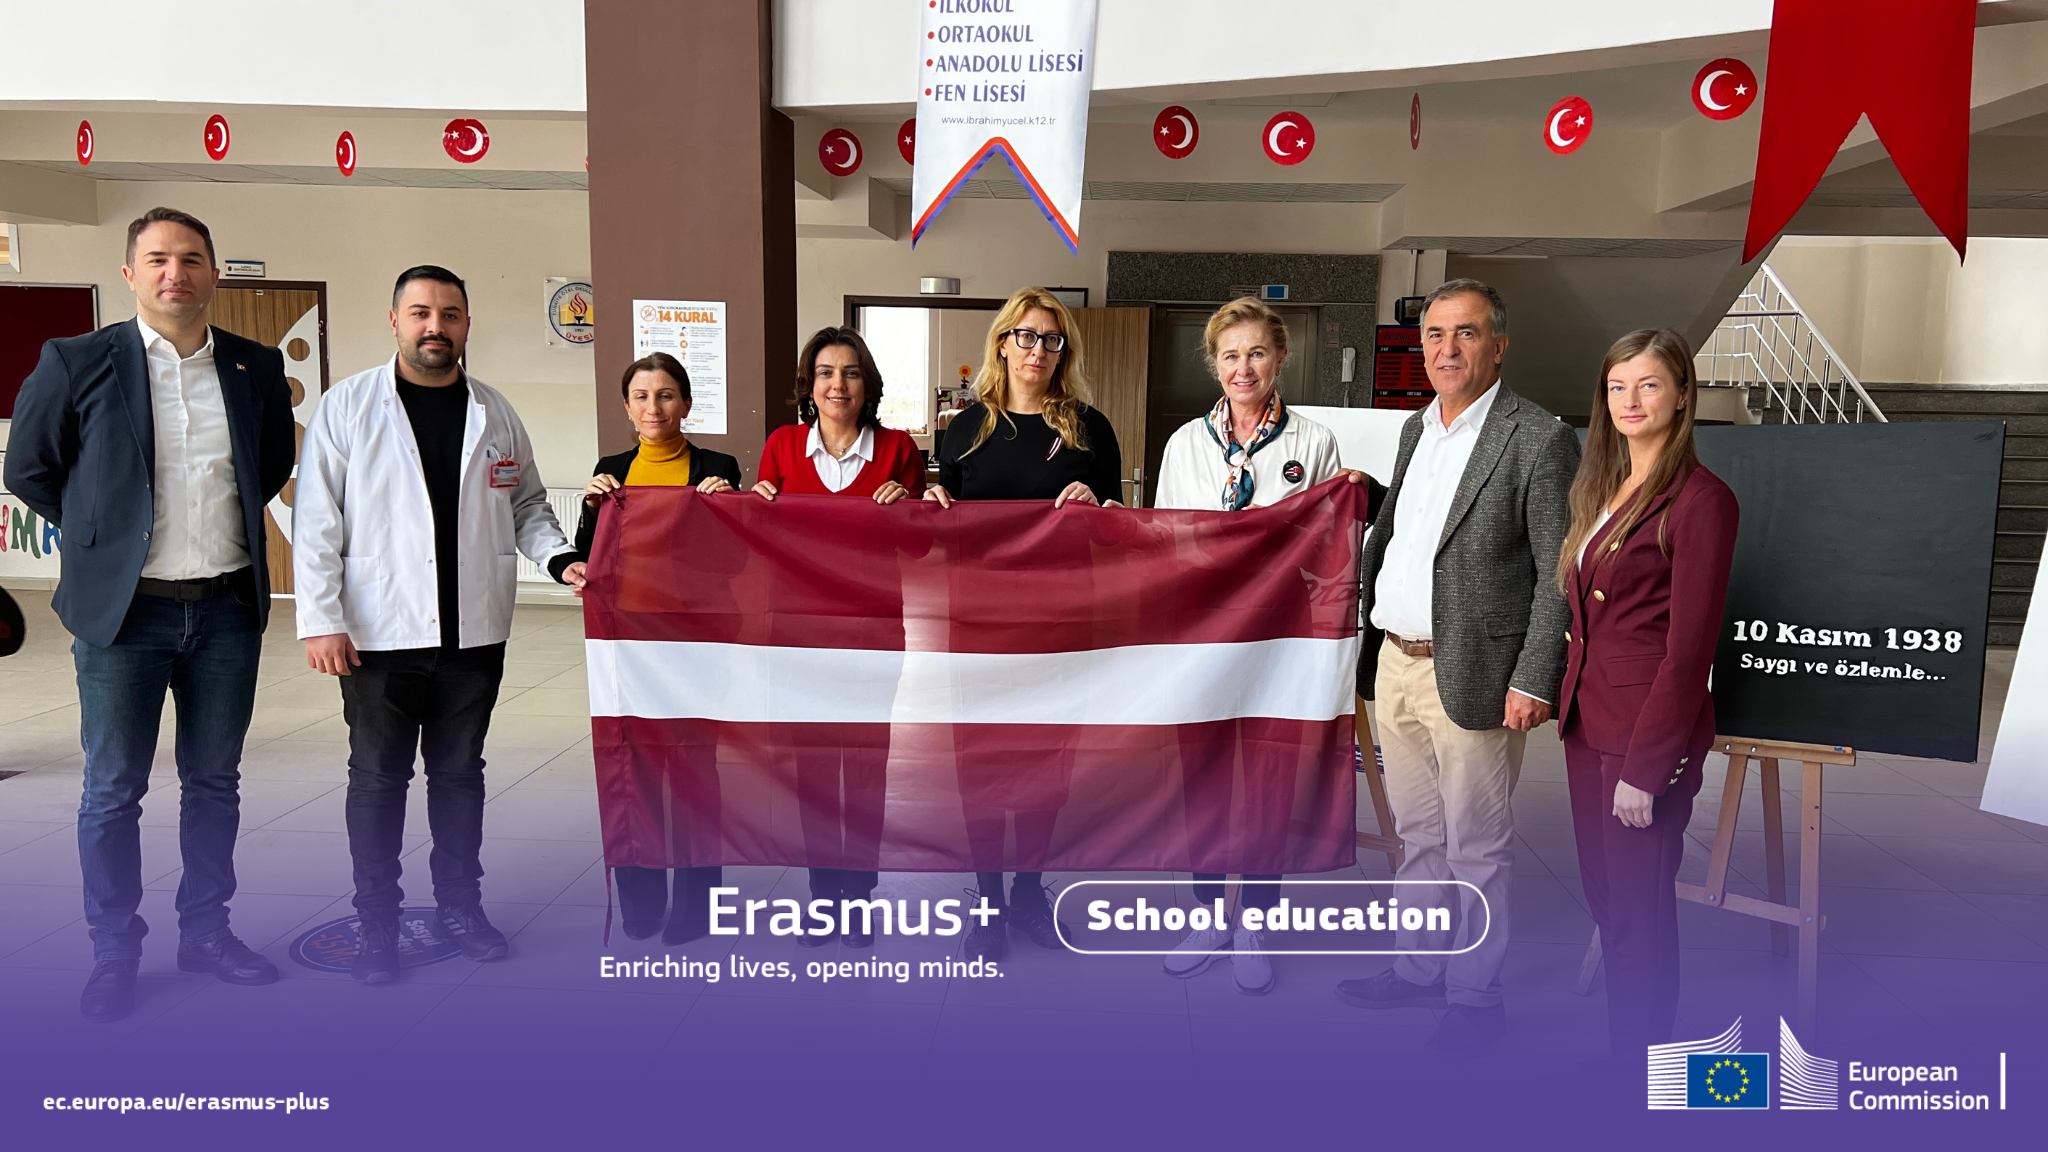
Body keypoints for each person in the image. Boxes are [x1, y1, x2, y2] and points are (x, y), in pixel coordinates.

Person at [6, 207, 296, 1022]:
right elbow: (29, 469)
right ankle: (114, 950)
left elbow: (272, 461)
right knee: (112, 790)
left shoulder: (254, 366)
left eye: (192, 258)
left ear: (214, 273)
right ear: (130, 273)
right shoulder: (76, 360)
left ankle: (207, 932)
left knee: (214, 782)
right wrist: (102, 535)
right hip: (123, 618)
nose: (177, 273)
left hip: (226, 611)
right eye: (159, 259)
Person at [293, 265, 577, 985]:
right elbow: (317, 519)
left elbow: (526, 505)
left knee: (458, 777)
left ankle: (459, 908)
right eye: (420, 313)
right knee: (378, 780)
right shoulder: (349, 405)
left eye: (450, 315)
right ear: (394, 321)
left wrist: (560, 558)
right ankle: (377, 923)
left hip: (471, 637)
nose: (435, 327)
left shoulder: (494, 412)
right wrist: (321, 619)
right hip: (378, 635)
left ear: (467, 325)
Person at [1333, 278, 1579, 1056]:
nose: (1447, 349)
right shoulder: (1417, 429)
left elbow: (1559, 570)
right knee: (1418, 836)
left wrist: (1535, 676)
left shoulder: (1537, 437)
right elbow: (1415, 533)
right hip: (1398, 662)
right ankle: (1417, 970)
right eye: (1435, 335)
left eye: (1466, 333)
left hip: (1478, 671)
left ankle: (1475, 996)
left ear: (1498, 346)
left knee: (1476, 842)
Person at [1152, 297, 1372, 995]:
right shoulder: (1185, 444)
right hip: (1201, 638)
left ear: (1280, 358)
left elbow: (1326, 550)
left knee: (1271, 778)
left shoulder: (1314, 442)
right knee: (1204, 776)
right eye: (1230, 355)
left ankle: (1255, 920)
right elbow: (1163, 542)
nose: (1243, 368)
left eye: (1256, 353)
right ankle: (1208, 915)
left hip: (1281, 641)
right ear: (1213, 364)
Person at [1555, 329, 1737, 1065]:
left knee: (1638, 916)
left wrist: (1647, 766)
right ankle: (1630, 1059)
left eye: (1649, 384)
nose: (1630, 401)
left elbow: (1689, 651)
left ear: (1683, 395)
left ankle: (1641, 1072)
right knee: (1607, 900)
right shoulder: (1606, 488)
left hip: (1640, 740)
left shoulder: (1701, 500)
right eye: (1617, 387)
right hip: (1588, 722)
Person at [925, 286, 1122, 961]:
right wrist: (930, 502)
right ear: (1003, 343)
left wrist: (1098, 503)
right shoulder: (964, 428)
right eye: (1026, 336)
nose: (1038, 349)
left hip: (1058, 625)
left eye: (1052, 339)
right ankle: (987, 902)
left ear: (1064, 352)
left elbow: (1121, 529)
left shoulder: (1090, 429)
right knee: (979, 763)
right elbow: (939, 527)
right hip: (978, 625)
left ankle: (1029, 891)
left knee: (1045, 763)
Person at [561, 351, 741, 946]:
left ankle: (697, 906)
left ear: (686, 403)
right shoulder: (612, 470)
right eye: (641, 396)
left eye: (665, 395)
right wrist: (592, 510)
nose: (653, 407)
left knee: (692, 774)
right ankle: (641, 902)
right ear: (626, 406)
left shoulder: (717, 466)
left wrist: (727, 509)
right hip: (628, 646)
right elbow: (590, 557)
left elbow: (736, 560)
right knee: (632, 771)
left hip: (696, 645)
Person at [753, 327, 923, 948]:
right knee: (814, 769)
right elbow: (763, 537)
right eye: (826, 373)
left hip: (873, 630)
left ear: (867, 384)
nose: (837, 385)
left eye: (851, 373)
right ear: (810, 384)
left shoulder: (898, 449)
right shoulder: (782, 446)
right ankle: (824, 897)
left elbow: (920, 547)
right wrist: (752, 504)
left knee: (867, 764)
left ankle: (860, 896)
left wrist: (910, 507)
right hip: (800, 635)